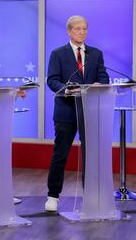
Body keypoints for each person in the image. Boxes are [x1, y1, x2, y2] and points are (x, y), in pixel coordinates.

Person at [44, 15, 109, 213]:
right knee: (60, 154)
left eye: (84, 29)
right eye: (78, 29)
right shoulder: (58, 53)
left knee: (91, 155)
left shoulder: (95, 54)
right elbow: (52, 80)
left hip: (90, 111)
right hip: (66, 111)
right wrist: (66, 89)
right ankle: (53, 196)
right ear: (69, 31)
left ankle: (90, 195)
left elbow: (103, 76)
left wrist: (100, 84)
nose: (82, 32)